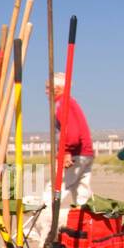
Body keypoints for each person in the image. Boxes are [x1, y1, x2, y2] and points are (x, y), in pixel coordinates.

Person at [48, 73, 95, 207]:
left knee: (55, 189)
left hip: (75, 154)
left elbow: (72, 131)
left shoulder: (61, 103)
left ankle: (42, 223)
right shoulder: (69, 101)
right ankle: (87, 224)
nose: (46, 91)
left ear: (57, 88)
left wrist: (67, 151)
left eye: (48, 87)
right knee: (82, 194)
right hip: (85, 153)